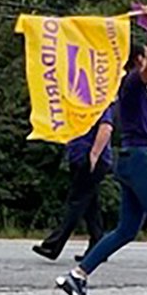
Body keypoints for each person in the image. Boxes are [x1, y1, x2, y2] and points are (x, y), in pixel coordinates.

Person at [55, 6, 147, 295]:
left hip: (136, 158)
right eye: (145, 58)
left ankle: (77, 276)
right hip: (142, 158)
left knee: (126, 229)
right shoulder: (133, 81)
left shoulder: (137, 91)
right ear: (138, 61)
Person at [32, 103, 113, 262]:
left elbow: (106, 128)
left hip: (91, 159)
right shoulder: (77, 105)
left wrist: (94, 154)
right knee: (91, 206)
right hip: (80, 157)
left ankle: (53, 245)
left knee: (76, 202)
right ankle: (98, 247)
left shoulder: (99, 102)